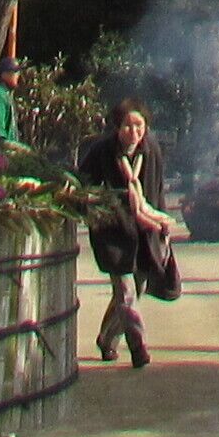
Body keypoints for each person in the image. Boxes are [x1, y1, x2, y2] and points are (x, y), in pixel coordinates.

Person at [74, 101, 177, 370]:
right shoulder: (101, 151)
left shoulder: (151, 150)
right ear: (117, 127)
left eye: (139, 125)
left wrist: (161, 222)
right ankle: (138, 347)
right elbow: (82, 184)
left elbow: (157, 190)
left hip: (144, 230)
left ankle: (107, 340)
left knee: (133, 291)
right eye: (128, 126)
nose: (134, 132)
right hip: (113, 231)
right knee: (126, 291)